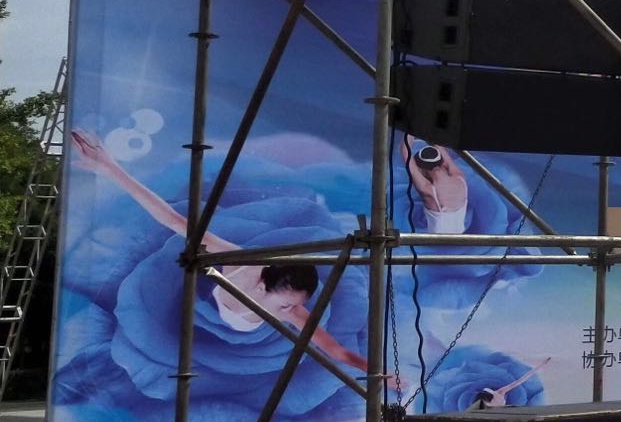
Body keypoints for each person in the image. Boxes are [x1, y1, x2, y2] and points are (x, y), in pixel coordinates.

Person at [68, 130, 391, 390]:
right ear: (262, 286)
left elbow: (335, 350)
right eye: (285, 305)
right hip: (193, 307)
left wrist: (376, 372)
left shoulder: (293, 311)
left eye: (295, 306)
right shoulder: (240, 262)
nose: (290, 313)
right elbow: (172, 220)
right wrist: (110, 168)